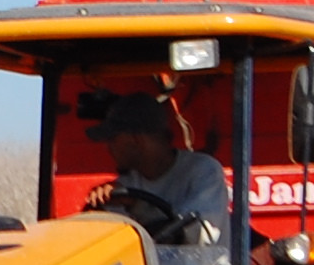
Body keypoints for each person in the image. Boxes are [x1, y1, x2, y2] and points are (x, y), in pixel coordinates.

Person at [81, 93, 227, 243]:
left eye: (112, 139)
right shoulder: (125, 187)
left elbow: (198, 234)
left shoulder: (203, 171)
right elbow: (109, 241)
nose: (109, 148)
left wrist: (138, 207)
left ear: (136, 140)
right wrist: (100, 208)